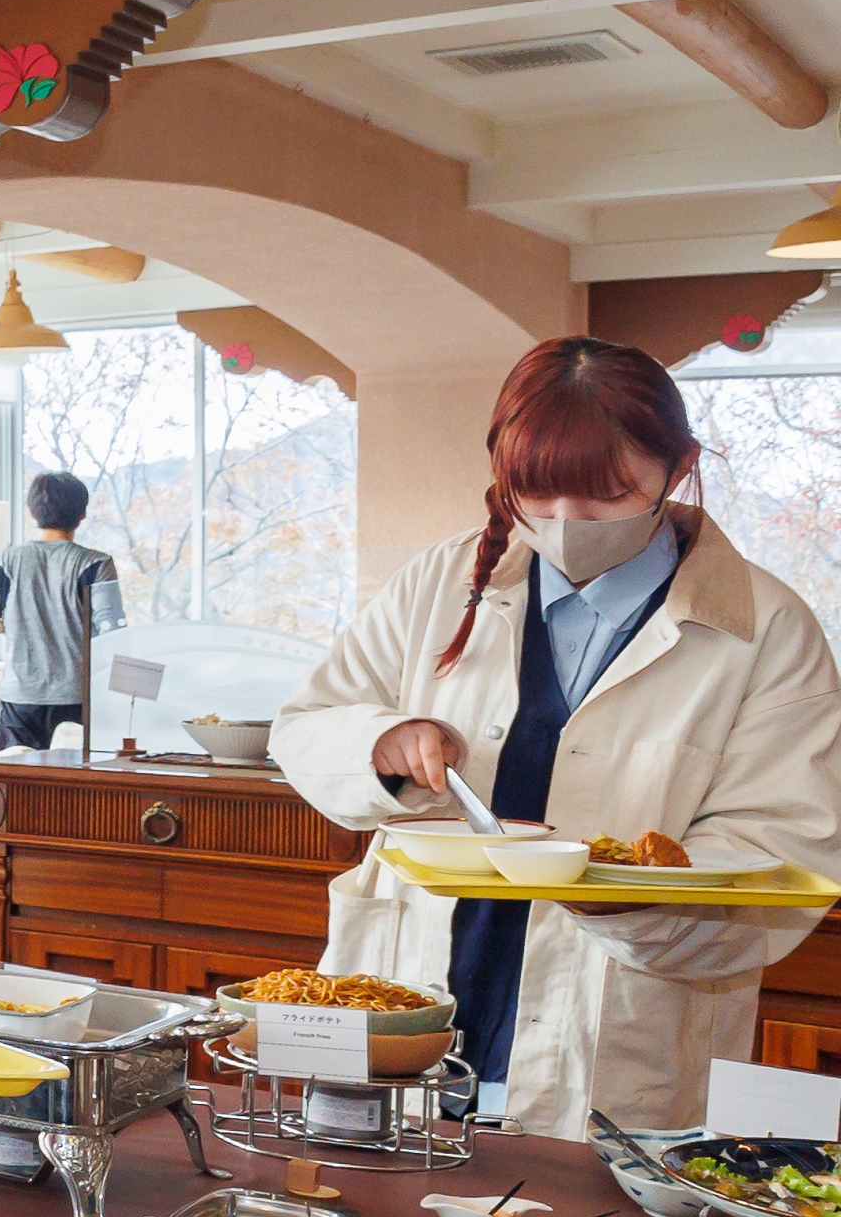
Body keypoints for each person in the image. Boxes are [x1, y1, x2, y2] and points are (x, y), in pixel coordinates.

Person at [271, 337, 841, 1133]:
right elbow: (306, 726)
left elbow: (783, 851)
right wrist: (381, 744)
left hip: (616, 1034)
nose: (566, 523)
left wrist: (622, 897)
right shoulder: (438, 583)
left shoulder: (767, 630)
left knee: (574, 1211)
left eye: (607, 494)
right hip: (408, 995)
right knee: (369, 1195)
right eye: (535, 493)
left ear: (678, 467)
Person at [0, 469, 126, 751]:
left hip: (19, 698)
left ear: (33, 512)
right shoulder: (96, 563)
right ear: (82, 514)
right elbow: (112, 631)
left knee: (15, 776)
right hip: (76, 696)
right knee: (71, 779)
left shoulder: (4, 561)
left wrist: (7, 624)